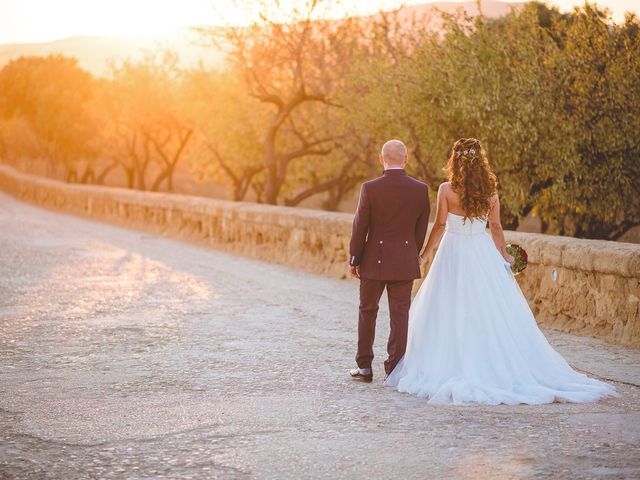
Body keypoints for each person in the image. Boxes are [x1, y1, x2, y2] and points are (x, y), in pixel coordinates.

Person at [384, 138, 617, 404]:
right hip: (481, 252)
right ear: (480, 163)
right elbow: (495, 227)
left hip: (452, 252)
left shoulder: (446, 190)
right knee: (488, 308)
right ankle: (490, 361)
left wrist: (424, 254)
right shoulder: (491, 193)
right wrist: (504, 255)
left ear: (455, 162)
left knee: (448, 306)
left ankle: (453, 360)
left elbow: (438, 225)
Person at [348, 139, 430, 383]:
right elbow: (420, 228)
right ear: (406, 159)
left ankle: (364, 368)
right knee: (400, 315)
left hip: (374, 259)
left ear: (381, 159)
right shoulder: (420, 189)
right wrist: (411, 252)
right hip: (405, 260)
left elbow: (360, 226)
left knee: (367, 311)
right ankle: (395, 369)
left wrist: (355, 258)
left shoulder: (370, 188)